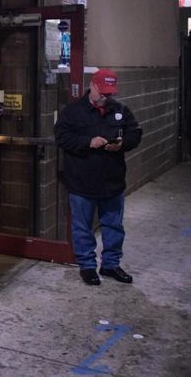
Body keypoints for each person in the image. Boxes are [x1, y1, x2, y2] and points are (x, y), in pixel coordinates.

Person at [54, 69, 142, 286]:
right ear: (92, 86)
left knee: (113, 226)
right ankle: (87, 266)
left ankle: (111, 264)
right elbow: (62, 137)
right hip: (81, 182)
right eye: (102, 93)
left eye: (110, 94)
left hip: (112, 182)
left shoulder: (120, 110)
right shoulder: (73, 112)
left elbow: (135, 133)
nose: (106, 98)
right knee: (82, 227)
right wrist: (88, 143)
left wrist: (122, 144)